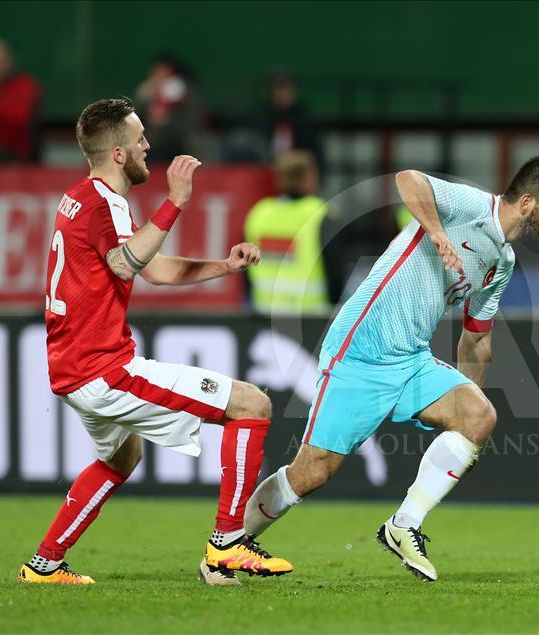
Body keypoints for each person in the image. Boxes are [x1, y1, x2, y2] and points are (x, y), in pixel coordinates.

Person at [243, 156, 539, 581]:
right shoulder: (472, 206)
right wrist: (437, 234)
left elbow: (476, 339)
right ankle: (232, 542)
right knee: (311, 472)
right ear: (528, 202)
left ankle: (403, 526)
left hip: (411, 358)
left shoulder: (503, 263)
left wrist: (466, 431)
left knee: (480, 416)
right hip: (361, 349)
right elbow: (407, 178)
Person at [18, 98, 292, 587]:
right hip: (102, 369)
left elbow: (153, 267)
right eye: (139, 138)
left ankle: (44, 565)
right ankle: (227, 544)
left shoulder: (86, 196)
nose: (148, 145)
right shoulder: (102, 201)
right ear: (119, 153)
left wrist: (224, 267)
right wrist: (177, 201)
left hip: (73, 368)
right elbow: (127, 264)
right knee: (252, 405)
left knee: (122, 457)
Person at [243, 150, 343, 311]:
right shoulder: (322, 214)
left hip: (264, 313)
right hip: (310, 318)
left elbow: (243, 266)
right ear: (309, 177)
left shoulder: (259, 213)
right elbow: (335, 272)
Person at [135, 54, 204, 162]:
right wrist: (142, 100)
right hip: (153, 147)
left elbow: (192, 122)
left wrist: (167, 122)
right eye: (155, 72)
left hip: (180, 146)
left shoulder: (184, 91)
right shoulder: (149, 91)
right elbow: (136, 121)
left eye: (163, 71)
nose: (158, 76)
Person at [255, 70, 323, 170]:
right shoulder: (262, 119)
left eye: (285, 88)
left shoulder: (305, 120)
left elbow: (315, 154)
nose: (282, 94)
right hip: (268, 172)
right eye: (277, 89)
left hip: (298, 173)